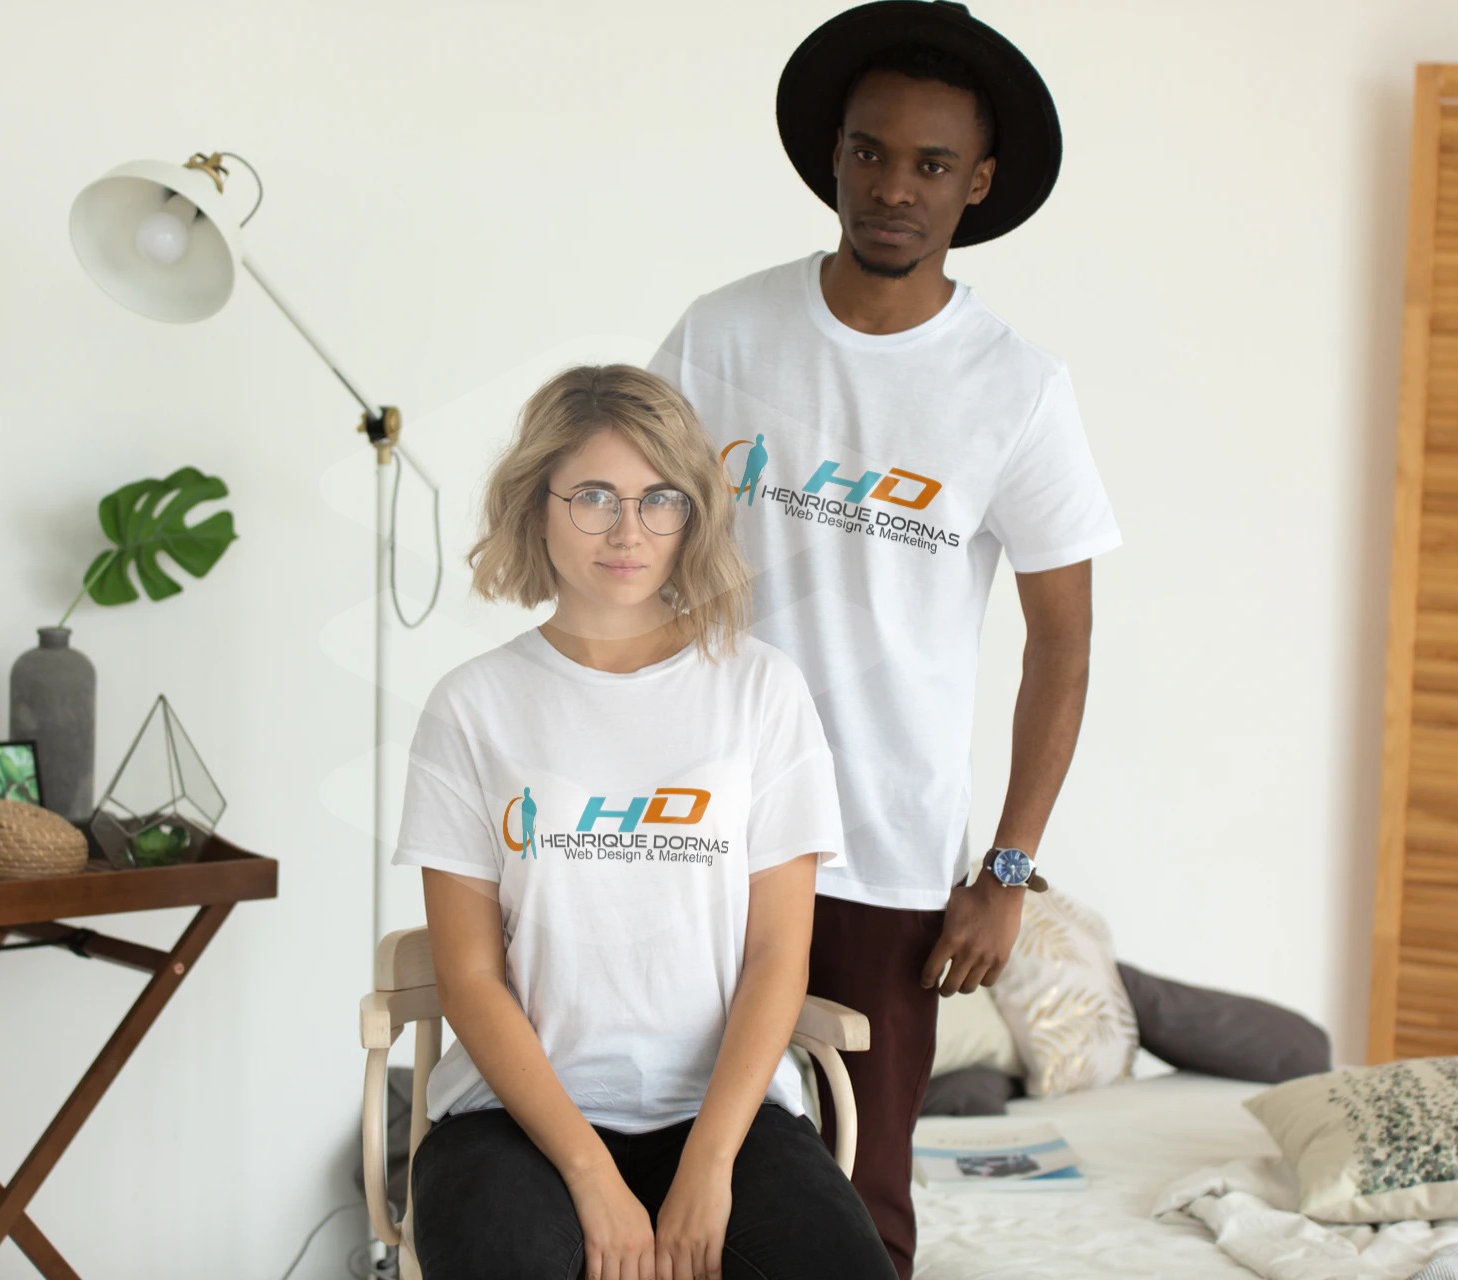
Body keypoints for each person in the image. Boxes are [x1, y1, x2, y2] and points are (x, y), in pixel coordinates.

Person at [646, 4, 1121, 1276]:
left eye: (929, 163)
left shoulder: (1016, 388)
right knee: (668, 1160)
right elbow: (631, 557)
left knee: (859, 1202)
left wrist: (1007, 870)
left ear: (980, 182)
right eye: (870, 152)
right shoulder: (720, 334)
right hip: (696, 820)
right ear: (835, 157)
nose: (893, 187)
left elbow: (1063, 643)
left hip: (882, 847)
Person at [392, 364, 893, 1280]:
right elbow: (469, 976)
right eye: (593, 497)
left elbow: (778, 956)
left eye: (660, 499)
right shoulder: (473, 705)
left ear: (693, 514)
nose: (629, 532)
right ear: (537, 504)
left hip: (725, 1116)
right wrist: (591, 1174)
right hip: (515, 1121)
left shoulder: (760, 689)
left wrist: (708, 1164)